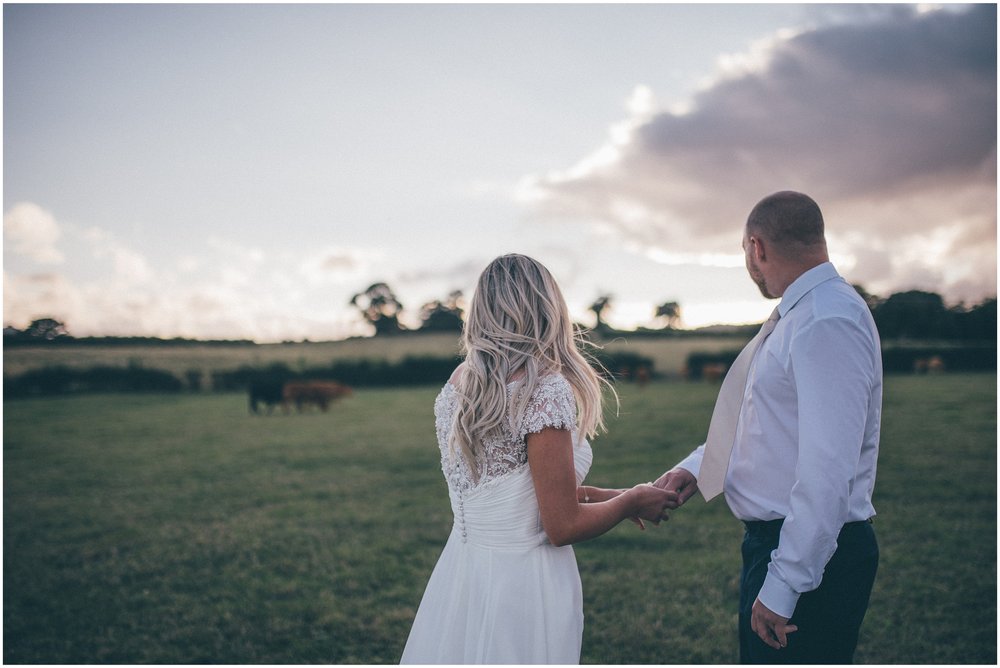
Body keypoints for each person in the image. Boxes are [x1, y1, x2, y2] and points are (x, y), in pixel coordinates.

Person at [401, 253, 676, 664]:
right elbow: (560, 526)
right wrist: (631, 501)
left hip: (463, 573)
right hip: (523, 583)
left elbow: (515, 494)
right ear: (547, 308)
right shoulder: (542, 389)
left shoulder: (461, 383)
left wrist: (604, 495)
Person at [655, 191, 882, 664]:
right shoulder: (800, 315)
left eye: (745, 252)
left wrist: (783, 584)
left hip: (810, 552)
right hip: (783, 543)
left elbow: (828, 469)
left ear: (757, 247)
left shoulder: (826, 319)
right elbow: (765, 422)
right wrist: (698, 467)